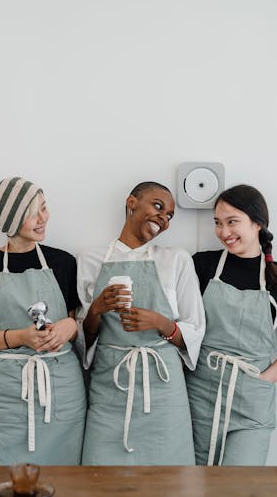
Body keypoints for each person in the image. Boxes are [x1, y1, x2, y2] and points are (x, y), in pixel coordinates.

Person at [77, 181, 205, 465]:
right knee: (100, 481)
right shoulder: (91, 259)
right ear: (131, 203)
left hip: (164, 392)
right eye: (158, 207)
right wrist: (97, 309)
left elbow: (195, 331)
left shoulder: (177, 260)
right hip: (110, 388)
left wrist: (162, 323)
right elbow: (83, 339)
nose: (163, 218)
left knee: (169, 483)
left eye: (170, 215)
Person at [0, 177, 86, 465]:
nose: (44, 218)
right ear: (11, 220)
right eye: (34, 213)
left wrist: (70, 328)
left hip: (62, 392)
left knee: (64, 480)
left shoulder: (64, 262)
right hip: (8, 394)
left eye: (44, 208)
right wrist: (20, 337)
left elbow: (78, 320)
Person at [186, 184, 277, 466]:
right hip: (199, 393)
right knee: (192, 484)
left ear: (258, 223)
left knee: (240, 486)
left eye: (232, 222)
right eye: (217, 223)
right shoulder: (201, 265)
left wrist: (267, 379)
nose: (223, 232)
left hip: (252, 397)